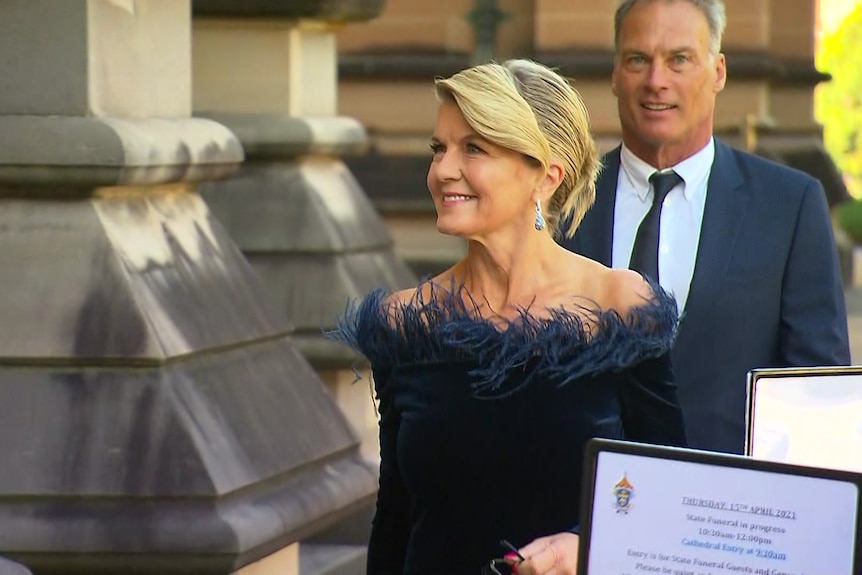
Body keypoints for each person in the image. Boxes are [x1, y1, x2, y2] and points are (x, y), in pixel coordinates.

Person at [330, 59, 687, 575]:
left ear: (546, 176)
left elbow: (671, 489)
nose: (442, 169)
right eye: (439, 148)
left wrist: (584, 549)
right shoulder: (406, 322)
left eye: (473, 148)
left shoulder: (619, 307)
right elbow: (396, 518)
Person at [560, 0, 851, 455]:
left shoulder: (788, 206)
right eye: (638, 59)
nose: (657, 81)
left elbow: (816, 399)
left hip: (730, 512)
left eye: (679, 59)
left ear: (718, 72)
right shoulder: (563, 203)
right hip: (584, 508)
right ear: (616, 73)